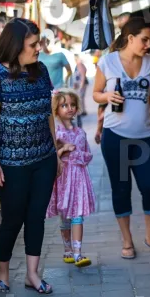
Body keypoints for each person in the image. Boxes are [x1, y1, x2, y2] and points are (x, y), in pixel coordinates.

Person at [0, 18, 61, 294]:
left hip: (44, 159)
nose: (39, 48)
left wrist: (55, 152)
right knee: (13, 218)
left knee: (36, 216)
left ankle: (32, 274)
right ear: (16, 46)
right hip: (11, 163)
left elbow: (48, 113)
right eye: (33, 44)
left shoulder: (40, 70)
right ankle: (3, 273)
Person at [93, 17, 150, 259]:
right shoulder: (107, 62)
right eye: (145, 39)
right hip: (115, 137)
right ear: (130, 38)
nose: (149, 44)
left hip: (145, 136)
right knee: (121, 188)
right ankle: (127, 241)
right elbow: (95, 93)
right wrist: (106, 97)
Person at [46, 90, 95, 268]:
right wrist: (63, 149)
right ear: (56, 109)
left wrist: (77, 155)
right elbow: (51, 157)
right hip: (62, 179)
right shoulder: (55, 133)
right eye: (64, 105)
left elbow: (88, 155)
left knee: (77, 215)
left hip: (78, 179)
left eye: (72, 105)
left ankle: (78, 253)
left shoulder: (81, 133)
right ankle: (67, 249)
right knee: (64, 217)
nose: (69, 108)